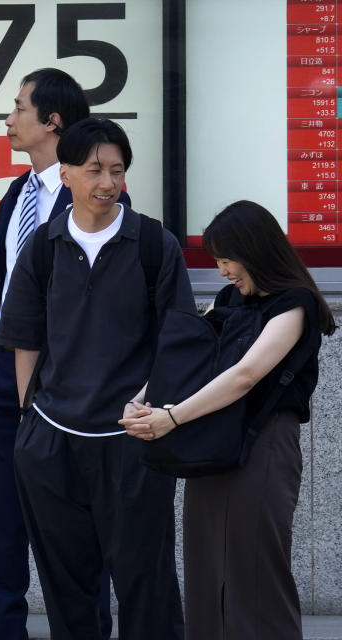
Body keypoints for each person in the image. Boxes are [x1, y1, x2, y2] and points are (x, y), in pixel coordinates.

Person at [0, 118, 193, 640]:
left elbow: (176, 343)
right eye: (94, 170)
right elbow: (25, 339)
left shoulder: (154, 244)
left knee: (147, 586)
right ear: (65, 175)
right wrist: (28, 424)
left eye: (117, 170)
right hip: (52, 442)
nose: (107, 182)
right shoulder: (42, 246)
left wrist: (151, 410)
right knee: (68, 592)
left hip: (132, 440)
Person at [121, 200, 335, 640]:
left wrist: (172, 418)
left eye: (225, 259)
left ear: (254, 251)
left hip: (267, 444)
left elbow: (244, 375)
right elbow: (193, 364)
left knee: (254, 569)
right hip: (214, 441)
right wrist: (142, 399)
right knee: (205, 566)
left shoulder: (295, 305)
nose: (221, 271)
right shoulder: (229, 299)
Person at [0, 68, 124, 639]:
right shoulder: (18, 191)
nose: (9, 118)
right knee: (2, 514)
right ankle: (6, 628)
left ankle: (84, 629)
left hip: (66, 376)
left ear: (52, 120)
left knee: (76, 515)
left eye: (19, 107)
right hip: (1, 370)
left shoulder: (94, 194)